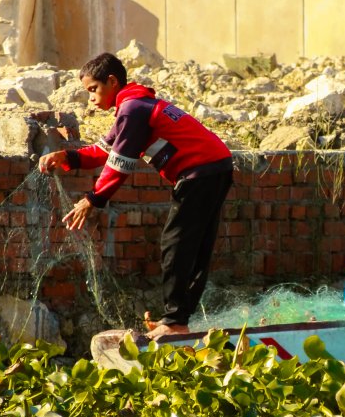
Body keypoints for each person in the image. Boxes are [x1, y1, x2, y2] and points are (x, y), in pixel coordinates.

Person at [38, 52, 233, 339]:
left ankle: (175, 322)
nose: (91, 98)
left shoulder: (133, 109)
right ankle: (178, 320)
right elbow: (104, 151)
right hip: (215, 168)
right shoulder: (135, 105)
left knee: (176, 244)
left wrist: (92, 199)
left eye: (93, 89)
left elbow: (120, 163)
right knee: (193, 247)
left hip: (200, 173)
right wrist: (66, 157)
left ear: (112, 81)